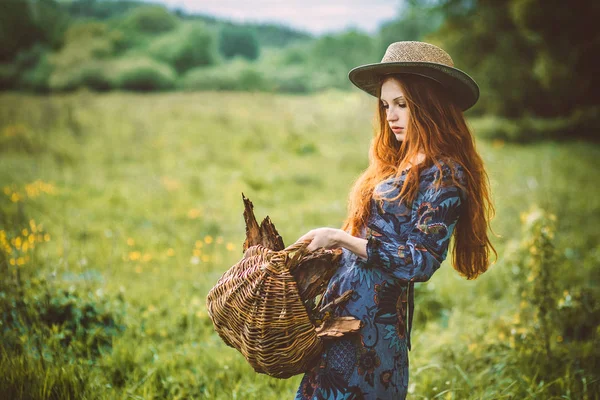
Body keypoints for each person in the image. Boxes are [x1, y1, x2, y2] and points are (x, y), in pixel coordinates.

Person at [293, 41, 497, 399]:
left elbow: (420, 261)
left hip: (374, 323)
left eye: (402, 104)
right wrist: (321, 253)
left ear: (429, 104)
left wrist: (339, 238)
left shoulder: (445, 174)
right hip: (341, 307)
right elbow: (371, 232)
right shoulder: (397, 159)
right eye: (386, 105)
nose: (391, 115)